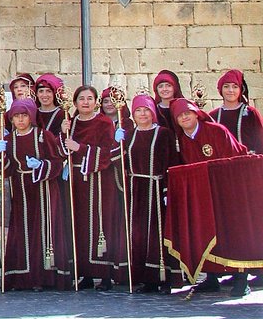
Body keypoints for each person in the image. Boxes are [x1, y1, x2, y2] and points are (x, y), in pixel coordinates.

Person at [170, 96, 252, 297]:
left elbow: (235, 159)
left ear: (196, 114)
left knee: (234, 234)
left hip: (228, 190)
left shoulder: (216, 131)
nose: (185, 118)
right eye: (180, 116)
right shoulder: (182, 140)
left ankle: (242, 279)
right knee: (207, 231)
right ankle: (211, 278)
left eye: (188, 113)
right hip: (204, 193)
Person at [0, 99, 69, 291]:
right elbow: (7, 169)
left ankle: (43, 276)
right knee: (22, 230)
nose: (20, 120)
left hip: (43, 189)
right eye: (16, 117)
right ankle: (22, 276)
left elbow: (57, 162)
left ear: (31, 117)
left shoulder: (43, 136)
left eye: (24, 115)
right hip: (20, 189)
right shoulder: (9, 140)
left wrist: (41, 166)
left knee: (42, 229)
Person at [63, 85, 124, 290]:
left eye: (90, 98)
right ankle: (85, 273)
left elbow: (109, 152)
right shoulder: (70, 123)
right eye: (81, 98)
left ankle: (105, 274)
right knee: (78, 225)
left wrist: (80, 148)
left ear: (96, 101)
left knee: (100, 224)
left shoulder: (104, 123)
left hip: (99, 179)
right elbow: (62, 149)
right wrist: (63, 136)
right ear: (75, 102)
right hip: (77, 181)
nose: (86, 102)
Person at [122, 95, 177, 293]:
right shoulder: (128, 135)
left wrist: (167, 188)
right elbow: (121, 163)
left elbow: (172, 161)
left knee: (158, 233)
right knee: (138, 234)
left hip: (156, 187)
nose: (142, 114)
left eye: (146, 110)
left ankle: (163, 277)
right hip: (136, 189)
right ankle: (144, 277)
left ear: (152, 112)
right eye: (138, 110)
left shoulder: (163, 133)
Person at [210, 69, 263, 153]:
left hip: (247, 163)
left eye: (235, 86)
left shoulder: (251, 113)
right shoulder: (213, 116)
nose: (230, 90)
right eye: (226, 86)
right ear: (220, 90)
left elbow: (260, 143)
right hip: (222, 164)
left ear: (240, 90)